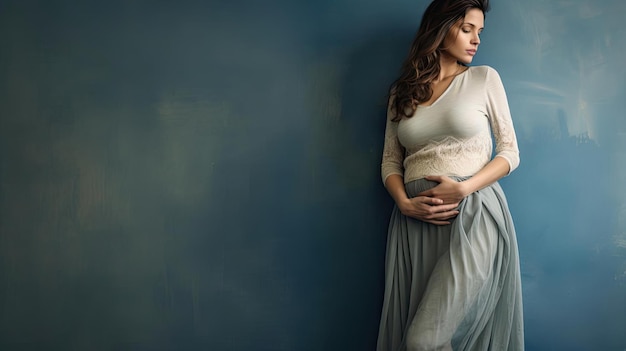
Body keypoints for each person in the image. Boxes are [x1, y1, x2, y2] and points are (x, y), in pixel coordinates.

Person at [376, 0, 524, 350]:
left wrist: (463, 189)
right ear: (441, 30)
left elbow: (510, 152)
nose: (476, 40)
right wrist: (404, 203)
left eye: (480, 32)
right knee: (435, 340)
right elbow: (390, 161)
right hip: (414, 223)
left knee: (423, 340)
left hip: (472, 214)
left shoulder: (483, 78)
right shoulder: (403, 92)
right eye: (466, 29)